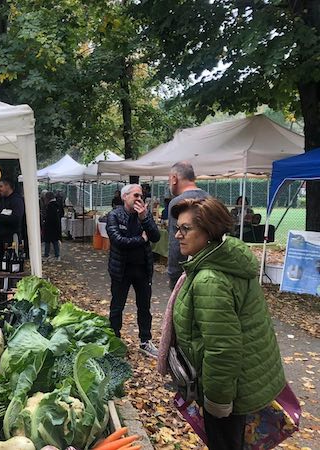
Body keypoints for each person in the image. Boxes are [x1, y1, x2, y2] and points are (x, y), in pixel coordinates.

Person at [169, 197, 285, 450]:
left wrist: (218, 402)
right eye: (177, 228)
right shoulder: (226, 258)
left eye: (186, 229)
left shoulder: (210, 279)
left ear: (209, 231)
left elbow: (222, 349)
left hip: (229, 389)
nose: (178, 235)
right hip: (243, 379)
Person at [106, 184, 160, 357]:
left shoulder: (144, 215)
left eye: (141, 196)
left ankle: (145, 341)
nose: (139, 199)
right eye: (136, 195)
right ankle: (114, 341)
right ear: (125, 197)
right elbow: (118, 241)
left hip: (143, 269)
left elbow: (156, 237)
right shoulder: (114, 215)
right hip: (121, 269)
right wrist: (140, 239)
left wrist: (144, 218)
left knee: (144, 307)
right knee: (117, 307)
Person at [167, 161, 209, 289]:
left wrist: (173, 275)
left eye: (169, 180)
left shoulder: (177, 203)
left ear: (174, 179)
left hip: (187, 275)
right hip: (211, 271)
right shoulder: (211, 199)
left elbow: (176, 243)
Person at [0, 177, 25, 270]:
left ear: (8, 186)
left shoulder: (17, 200)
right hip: (1, 237)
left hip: (12, 238)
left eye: (1, 186)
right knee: (1, 264)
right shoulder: (2, 200)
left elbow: (17, 217)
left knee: (12, 264)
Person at [42, 191, 62, 261]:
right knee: (55, 241)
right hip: (56, 226)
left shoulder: (50, 206)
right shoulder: (57, 204)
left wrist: (45, 220)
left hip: (50, 226)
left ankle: (47, 254)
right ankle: (57, 254)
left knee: (48, 241)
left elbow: (49, 217)